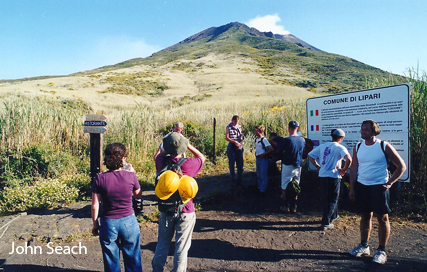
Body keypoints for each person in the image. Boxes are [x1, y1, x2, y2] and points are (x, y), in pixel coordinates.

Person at [348, 120, 406, 264]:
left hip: (379, 187)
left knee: (383, 218)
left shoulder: (383, 146)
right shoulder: (358, 146)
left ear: (374, 131)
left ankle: (381, 250)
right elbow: (354, 168)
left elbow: (401, 166)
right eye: (361, 129)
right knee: (365, 216)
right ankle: (364, 246)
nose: (362, 132)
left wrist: (390, 182)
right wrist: (352, 188)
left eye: (366, 130)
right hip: (362, 187)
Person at [152, 132, 205, 272]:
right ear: (183, 148)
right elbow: (201, 158)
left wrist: (166, 149)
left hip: (166, 210)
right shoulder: (189, 164)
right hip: (186, 209)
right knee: (182, 247)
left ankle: (157, 269)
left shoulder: (161, 162)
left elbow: (158, 156)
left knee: (162, 244)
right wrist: (188, 146)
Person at [91, 143, 143, 272]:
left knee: (110, 258)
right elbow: (138, 195)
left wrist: (95, 223)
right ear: (122, 159)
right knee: (133, 257)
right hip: (129, 221)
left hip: (108, 222)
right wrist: (132, 173)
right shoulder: (131, 175)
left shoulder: (99, 178)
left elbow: (94, 205)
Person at [308, 129, 352, 230]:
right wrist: (344, 169)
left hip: (322, 175)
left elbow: (310, 155)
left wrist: (318, 166)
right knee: (333, 199)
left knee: (326, 198)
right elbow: (349, 159)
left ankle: (334, 215)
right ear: (340, 138)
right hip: (334, 176)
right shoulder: (340, 147)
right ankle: (326, 222)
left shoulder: (323, 146)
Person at [277, 121, 305, 213]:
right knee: (296, 185)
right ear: (298, 128)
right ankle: (294, 205)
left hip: (287, 165)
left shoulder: (286, 140)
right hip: (298, 165)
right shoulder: (302, 140)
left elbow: (279, 151)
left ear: (288, 128)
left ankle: (286, 205)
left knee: (284, 185)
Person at [254, 125, 274, 196]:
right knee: (259, 175)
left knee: (263, 175)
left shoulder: (264, 140)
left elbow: (271, 148)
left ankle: (263, 191)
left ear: (261, 131)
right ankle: (260, 189)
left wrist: (264, 154)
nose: (255, 132)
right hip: (258, 159)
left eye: (256, 131)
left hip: (263, 159)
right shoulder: (256, 139)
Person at [225, 115, 244, 184]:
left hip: (238, 146)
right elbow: (227, 137)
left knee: (240, 162)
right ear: (232, 120)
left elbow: (240, 136)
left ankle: (240, 178)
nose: (236, 123)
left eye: (237, 121)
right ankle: (232, 178)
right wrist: (234, 141)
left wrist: (241, 142)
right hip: (232, 146)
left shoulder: (239, 127)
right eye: (235, 121)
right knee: (232, 162)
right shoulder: (228, 127)